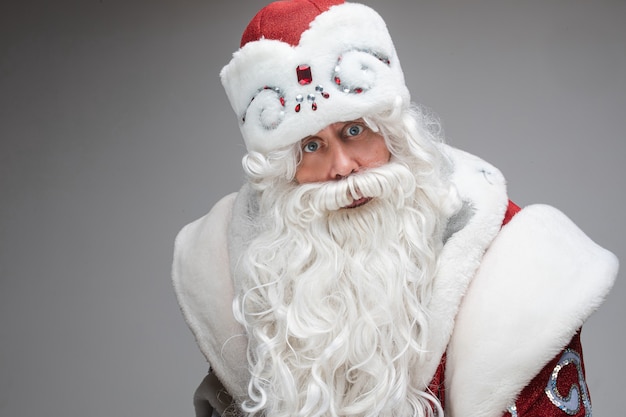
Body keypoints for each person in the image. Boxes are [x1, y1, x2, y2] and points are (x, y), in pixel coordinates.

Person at [172, 1, 618, 416]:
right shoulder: (245, 265)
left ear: (393, 132)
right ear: (282, 170)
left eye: (354, 131)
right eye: (312, 146)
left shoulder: (512, 257)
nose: (342, 168)